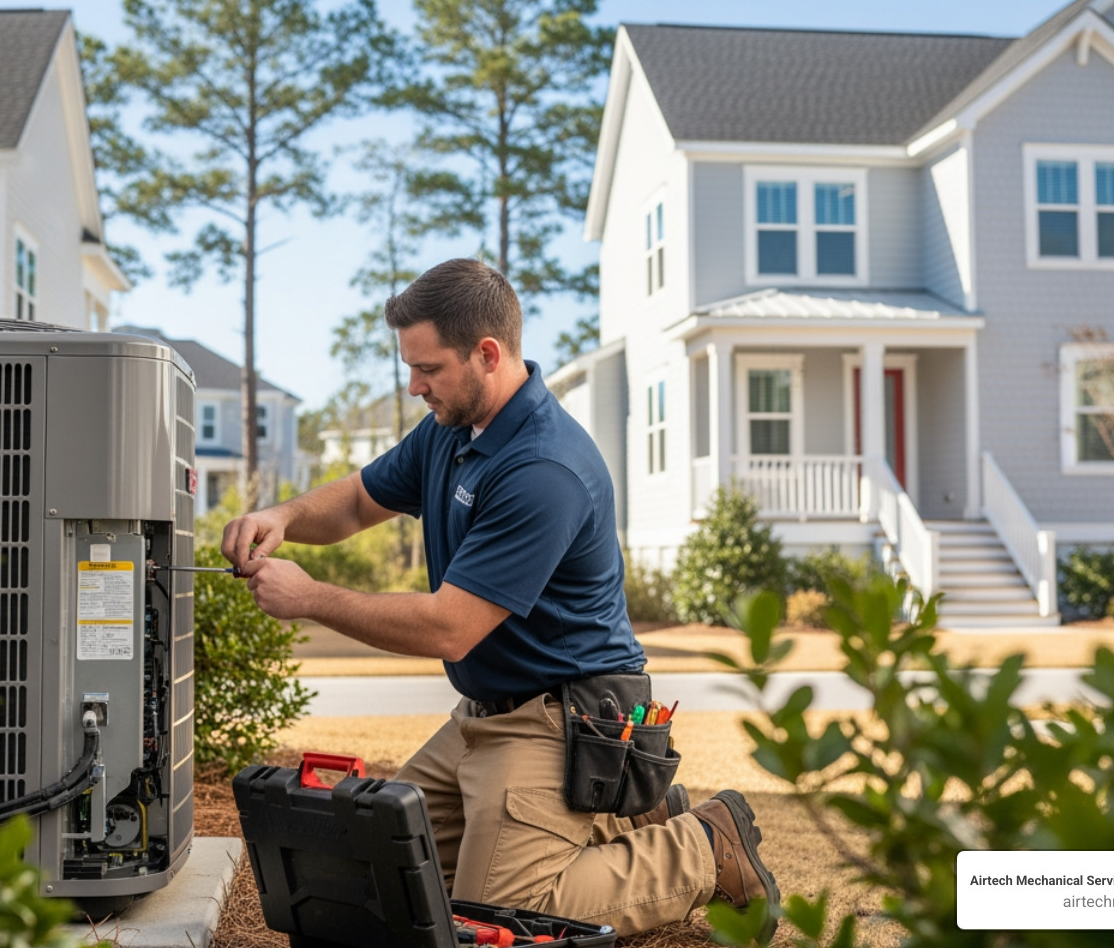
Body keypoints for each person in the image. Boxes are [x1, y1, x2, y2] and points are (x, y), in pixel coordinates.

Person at [222, 258, 779, 938]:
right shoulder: (451, 430)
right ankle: (627, 814)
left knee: (498, 920)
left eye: (427, 369)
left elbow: (449, 628)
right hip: (480, 719)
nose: (412, 386)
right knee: (379, 873)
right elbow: (358, 502)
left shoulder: (543, 469)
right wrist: (283, 517)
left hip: (564, 722)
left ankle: (703, 848)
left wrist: (310, 598)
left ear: (487, 354)